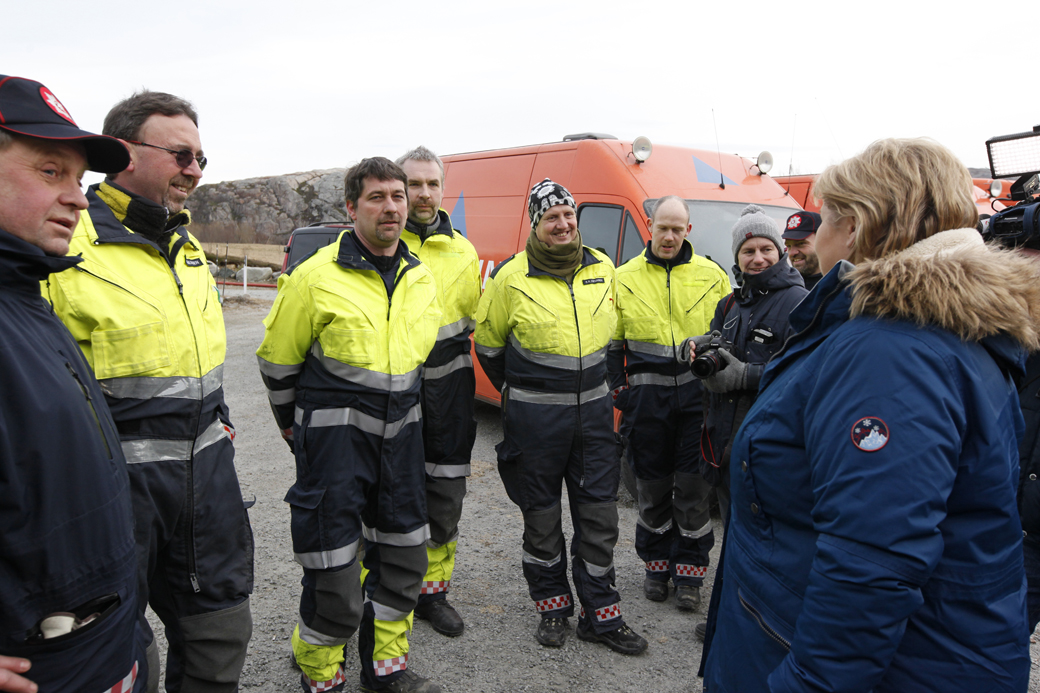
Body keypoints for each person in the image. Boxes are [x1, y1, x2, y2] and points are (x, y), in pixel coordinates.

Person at [703, 138, 1035, 691]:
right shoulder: (943, 326)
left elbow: (872, 561)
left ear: (855, 227)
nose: (815, 236)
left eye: (825, 217)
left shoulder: (891, 350)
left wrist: (806, 683)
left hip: (891, 663)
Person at [45, 91, 253, 693]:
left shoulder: (187, 249)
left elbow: (202, 369)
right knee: (118, 654)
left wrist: (221, 423)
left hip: (208, 490)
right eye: (181, 155)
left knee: (220, 637)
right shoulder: (63, 247)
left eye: (201, 158)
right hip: (112, 501)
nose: (195, 170)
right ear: (124, 152)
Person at [257, 157, 442, 693]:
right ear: (351, 207)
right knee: (334, 568)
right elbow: (278, 365)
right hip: (335, 446)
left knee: (404, 559)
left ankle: (386, 669)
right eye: (377, 197)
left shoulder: (420, 277)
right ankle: (321, 673)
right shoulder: (314, 277)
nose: (391, 207)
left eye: (398, 196)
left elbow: (417, 363)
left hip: (401, 443)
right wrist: (298, 430)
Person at [0, 74, 147, 692]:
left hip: (103, 647)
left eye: (80, 179)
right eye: (49, 171)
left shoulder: (28, 298)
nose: (79, 198)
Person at [475, 178, 648, 656]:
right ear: (536, 223)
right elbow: (488, 348)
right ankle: (552, 607)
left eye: (568, 214)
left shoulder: (603, 268)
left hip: (593, 419)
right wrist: (527, 390)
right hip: (535, 425)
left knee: (599, 518)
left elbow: (612, 336)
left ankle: (601, 614)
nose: (563, 223)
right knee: (542, 519)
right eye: (551, 217)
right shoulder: (510, 277)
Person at [608, 195, 729, 611]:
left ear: (688, 231)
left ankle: (690, 574)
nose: (670, 236)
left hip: (698, 402)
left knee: (694, 492)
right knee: (652, 489)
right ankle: (656, 567)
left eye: (678, 229)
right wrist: (620, 392)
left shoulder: (712, 275)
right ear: (650, 226)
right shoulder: (623, 277)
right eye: (663, 227)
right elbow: (612, 345)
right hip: (647, 404)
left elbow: (727, 337)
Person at [395, 146, 480, 637]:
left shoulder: (463, 251)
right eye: (414, 184)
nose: (423, 194)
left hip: (450, 389)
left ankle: (432, 593)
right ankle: (382, 596)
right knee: (387, 495)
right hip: (394, 387)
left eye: (432, 184)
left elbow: (475, 326)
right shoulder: (381, 242)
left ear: (443, 188)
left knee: (445, 495)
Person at [697, 205, 807, 519]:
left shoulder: (799, 302)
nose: (758, 258)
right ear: (737, 257)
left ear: (780, 251)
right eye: (748, 251)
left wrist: (745, 375)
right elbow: (720, 352)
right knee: (731, 532)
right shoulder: (730, 304)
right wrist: (698, 349)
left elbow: (804, 374)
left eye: (766, 249)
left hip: (769, 451)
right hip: (725, 447)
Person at [783, 210, 823, 290]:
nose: (792, 253)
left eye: (801, 243)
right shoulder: (784, 285)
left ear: (822, 241)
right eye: (789, 246)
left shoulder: (840, 287)